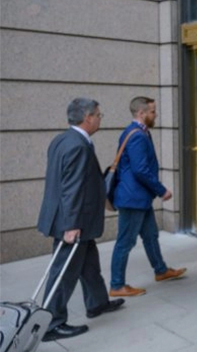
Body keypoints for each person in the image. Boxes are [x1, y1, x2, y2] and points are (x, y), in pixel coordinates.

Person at [37, 98, 125, 342]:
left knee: (89, 265)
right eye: (98, 115)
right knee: (63, 273)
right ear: (87, 117)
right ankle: (51, 323)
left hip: (75, 218)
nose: (100, 118)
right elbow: (72, 188)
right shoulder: (77, 145)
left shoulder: (63, 140)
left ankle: (97, 303)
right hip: (73, 221)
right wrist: (71, 225)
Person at [109, 97, 186, 297]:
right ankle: (117, 285)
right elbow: (140, 170)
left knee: (150, 235)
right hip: (133, 199)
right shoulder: (137, 136)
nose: (156, 114)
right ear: (141, 114)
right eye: (152, 111)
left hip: (139, 198)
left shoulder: (138, 132)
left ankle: (161, 270)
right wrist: (162, 190)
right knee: (125, 242)